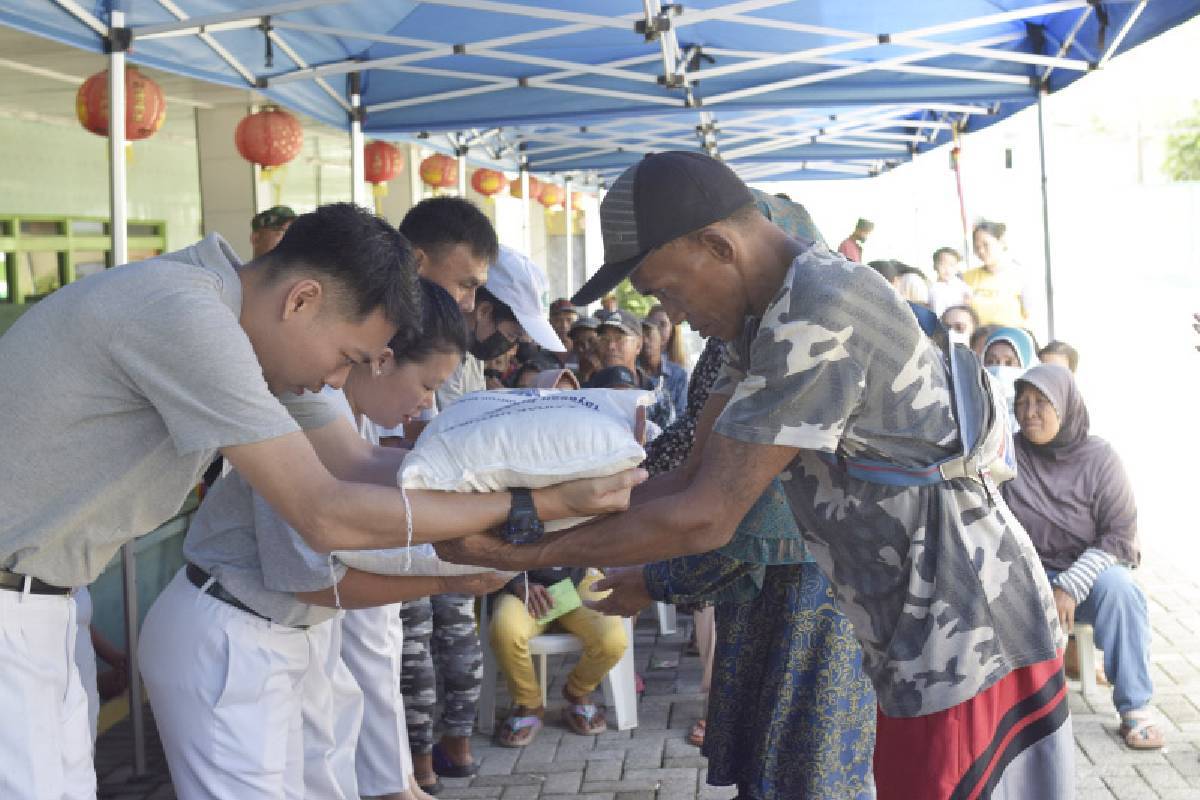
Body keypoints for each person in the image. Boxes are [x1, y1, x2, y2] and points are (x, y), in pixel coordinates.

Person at [439, 152, 1071, 800]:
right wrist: (524, 515)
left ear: (718, 245)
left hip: (966, 634)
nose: (674, 313)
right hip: (913, 626)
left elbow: (707, 516)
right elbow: (688, 476)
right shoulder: (764, 320)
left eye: (669, 291)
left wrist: (520, 547)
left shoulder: (818, 312)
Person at [0, 202, 636, 800]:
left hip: (50, 603)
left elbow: (360, 463)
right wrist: (527, 506)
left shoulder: (249, 332)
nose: (337, 382)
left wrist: (551, 484)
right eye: (347, 358)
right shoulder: (184, 314)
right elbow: (324, 510)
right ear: (302, 299)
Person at [139, 279, 509, 800]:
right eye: (426, 385)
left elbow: (389, 482)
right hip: (233, 633)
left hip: (290, 633)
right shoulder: (310, 410)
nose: (427, 406)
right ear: (380, 359)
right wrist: (454, 574)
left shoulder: (352, 420)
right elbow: (311, 580)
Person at [401, 245, 571, 794]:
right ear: (482, 305)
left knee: (458, 641)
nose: (515, 343)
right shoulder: (427, 350)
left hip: (454, 522)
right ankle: (417, 765)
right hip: (411, 522)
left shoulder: (473, 363)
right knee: (413, 649)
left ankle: (456, 748)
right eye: (512, 327)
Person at [1002, 365, 1161, 750]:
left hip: (1086, 574)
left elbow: (1120, 538)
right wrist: (1037, 581)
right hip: (1025, 573)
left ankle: (1135, 708)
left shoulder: (1100, 458)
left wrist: (1069, 585)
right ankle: (1003, 712)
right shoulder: (1006, 455)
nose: (1029, 412)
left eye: (1042, 402)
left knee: (1122, 590)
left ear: (1067, 406)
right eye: (1022, 402)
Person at [490, 568, 628, 746]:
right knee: (505, 633)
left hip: (580, 578)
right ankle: (530, 704)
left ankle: (578, 691)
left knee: (612, 641)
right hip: (519, 583)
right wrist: (517, 583)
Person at [591, 309, 674, 427]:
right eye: (604, 339)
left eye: (619, 339)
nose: (611, 346)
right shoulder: (586, 390)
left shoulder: (656, 397)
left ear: (638, 345)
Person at [964, 221, 1031, 327]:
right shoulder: (967, 278)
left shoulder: (1020, 276)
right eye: (977, 247)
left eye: (986, 245)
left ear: (1001, 242)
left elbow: (1029, 318)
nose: (981, 251)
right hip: (978, 340)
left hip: (1009, 339)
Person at [639, 318, 688, 417]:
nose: (645, 341)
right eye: (641, 336)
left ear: (661, 340)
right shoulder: (630, 372)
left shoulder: (678, 374)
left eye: (649, 335)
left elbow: (681, 413)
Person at [928, 247, 970, 316]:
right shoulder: (933, 289)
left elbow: (970, 299)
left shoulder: (961, 285)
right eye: (943, 264)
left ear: (957, 268)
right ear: (935, 266)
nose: (947, 269)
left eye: (951, 265)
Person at [568, 316, 602, 384]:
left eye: (592, 341)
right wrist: (584, 375)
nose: (586, 347)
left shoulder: (614, 368)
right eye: (579, 343)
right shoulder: (569, 372)